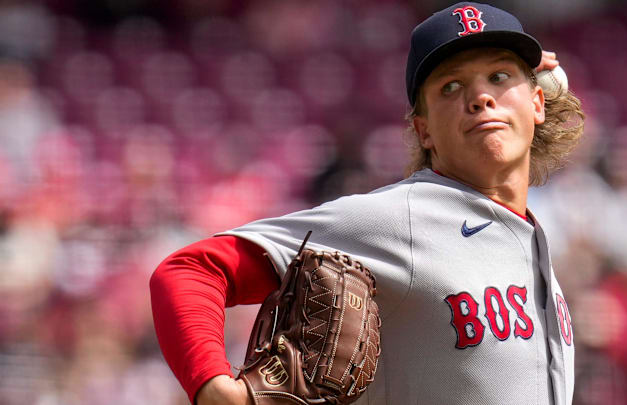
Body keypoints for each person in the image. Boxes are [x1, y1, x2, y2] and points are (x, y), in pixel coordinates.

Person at [150, 2, 585, 404]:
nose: (480, 98)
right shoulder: (403, 219)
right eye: (451, 86)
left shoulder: (530, 235)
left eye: (498, 77)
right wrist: (213, 387)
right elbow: (189, 272)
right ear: (423, 131)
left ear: (538, 103)